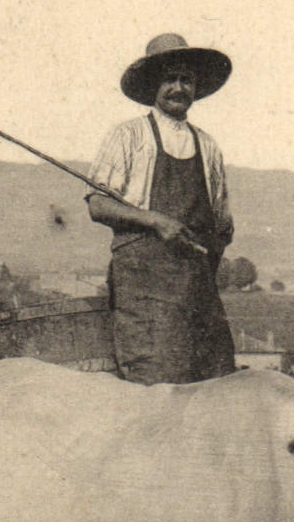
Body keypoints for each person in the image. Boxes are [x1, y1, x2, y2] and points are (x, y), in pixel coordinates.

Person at [86, 33, 236, 384]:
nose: (178, 88)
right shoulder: (128, 136)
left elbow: (222, 225)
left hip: (197, 294)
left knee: (216, 382)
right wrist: (152, 220)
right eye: (170, 79)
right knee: (157, 384)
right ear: (155, 84)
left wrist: (203, 265)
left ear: (196, 87)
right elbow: (97, 204)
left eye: (187, 80)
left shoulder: (208, 146)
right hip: (145, 293)